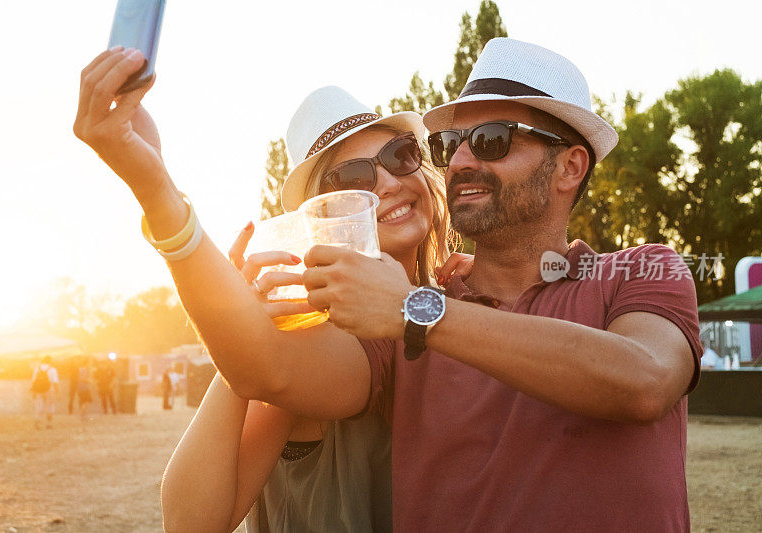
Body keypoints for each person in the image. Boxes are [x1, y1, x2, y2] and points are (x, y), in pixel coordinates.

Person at [296, 38, 704, 531]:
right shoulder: (397, 316)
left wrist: (418, 310)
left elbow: (647, 382)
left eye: (492, 139)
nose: (461, 161)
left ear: (570, 167)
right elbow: (269, 374)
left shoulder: (642, 271)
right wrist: (179, 233)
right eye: (451, 144)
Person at [74, 48, 456, 531]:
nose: (385, 183)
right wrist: (241, 333)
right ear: (320, 217)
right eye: (353, 177)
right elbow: (192, 522)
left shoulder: (454, 299)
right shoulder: (312, 334)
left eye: (400, 156)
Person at [30, 355, 59, 429]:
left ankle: (37, 420)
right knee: (50, 406)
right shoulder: (53, 370)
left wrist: (33, 391)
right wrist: (57, 392)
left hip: (39, 390)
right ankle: (49, 424)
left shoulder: (37, 369)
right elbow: (55, 382)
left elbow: (33, 380)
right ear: (50, 361)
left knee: (39, 406)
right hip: (49, 389)